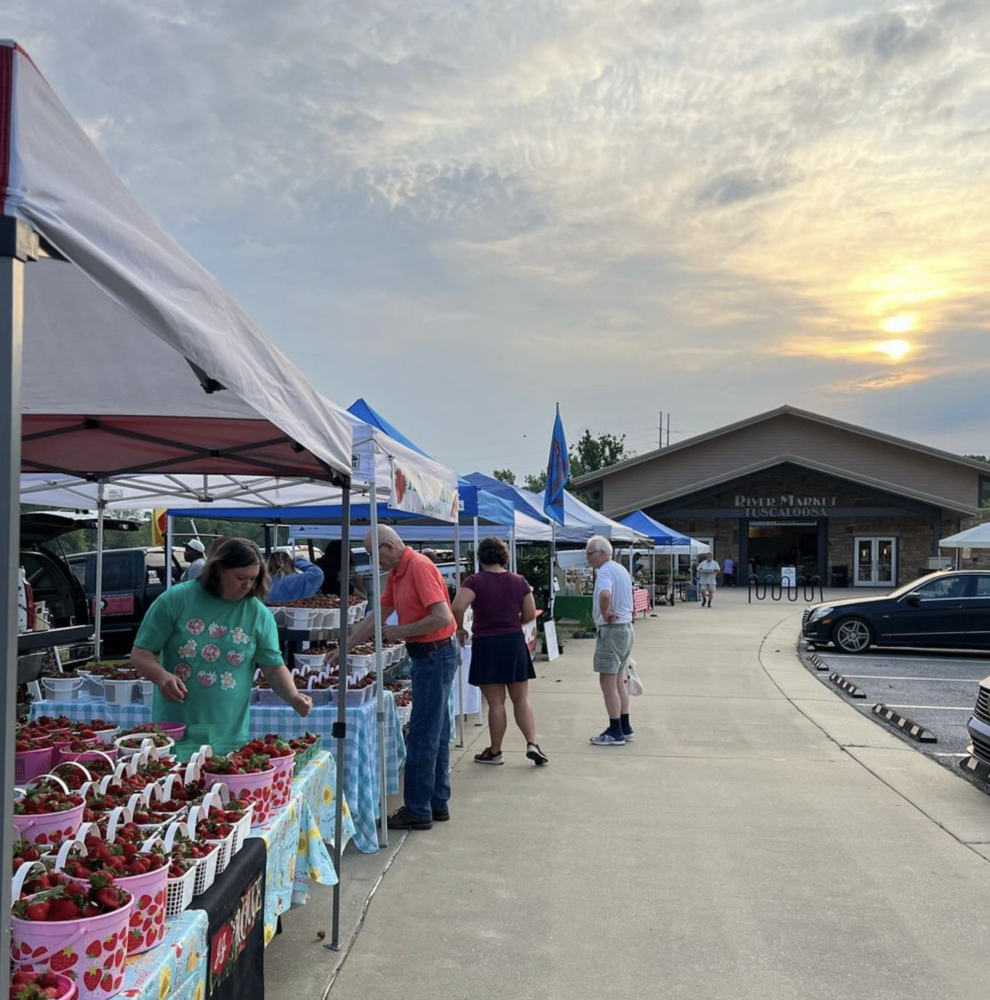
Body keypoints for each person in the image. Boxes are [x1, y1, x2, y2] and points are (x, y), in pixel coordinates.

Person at [130, 537, 312, 757]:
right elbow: (141, 654)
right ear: (217, 570)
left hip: (228, 736)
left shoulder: (259, 614)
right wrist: (161, 676)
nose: (247, 585)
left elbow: (273, 667)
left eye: (253, 579)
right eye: (240, 577)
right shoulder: (175, 599)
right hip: (175, 731)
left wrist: (293, 697)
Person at [328, 525, 458, 830]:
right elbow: (377, 615)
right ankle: (436, 803)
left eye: (376, 556)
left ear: (389, 547)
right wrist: (345, 647)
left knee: (423, 734)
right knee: (435, 733)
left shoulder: (418, 568)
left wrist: (401, 631)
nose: (376, 563)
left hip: (433, 655)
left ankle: (418, 809)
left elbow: (443, 616)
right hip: (431, 655)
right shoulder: (401, 571)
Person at [451, 535, 547, 767]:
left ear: (480, 557)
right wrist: (513, 620)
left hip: (487, 644)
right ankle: (532, 742)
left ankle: (495, 751)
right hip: (513, 642)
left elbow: (457, 607)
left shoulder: (475, 582)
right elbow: (529, 613)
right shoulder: (519, 581)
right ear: (504, 556)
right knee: (521, 697)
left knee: (496, 702)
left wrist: (461, 629)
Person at [585, 535, 635, 747]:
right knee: (619, 681)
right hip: (625, 628)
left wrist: (605, 613)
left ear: (602, 553)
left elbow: (605, 594)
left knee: (607, 683)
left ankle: (615, 730)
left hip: (612, 630)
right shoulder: (620, 569)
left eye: (590, 554)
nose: (588, 559)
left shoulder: (605, 571)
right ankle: (624, 725)